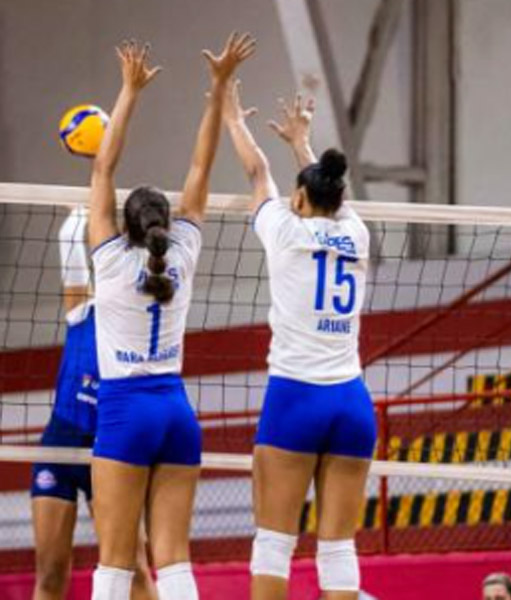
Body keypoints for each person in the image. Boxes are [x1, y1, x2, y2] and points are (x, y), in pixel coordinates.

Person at [87, 34, 255, 600]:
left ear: (125, 224)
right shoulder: (182, 253)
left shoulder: (109, 261)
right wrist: (217, 89)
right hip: (176, 413)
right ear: (164, 222)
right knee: (174, 562)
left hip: (123, 413)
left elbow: (102, 167)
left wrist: (129, 91)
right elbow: (200, 164)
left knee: (114, 562)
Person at [221, 82, 375, 600]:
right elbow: (332, 195)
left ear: (299, 198)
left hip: (296, 398)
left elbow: (256, 172)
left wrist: (230, 114)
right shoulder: (357, 234)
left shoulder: (284, 232)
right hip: (351, 402)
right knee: (337, 549)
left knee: (274, 543)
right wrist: (303, 145)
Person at [30, 206, 156, 600]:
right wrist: (91, 195)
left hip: (111, 449)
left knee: (133, 567)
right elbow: (69, 240)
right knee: (50, 573)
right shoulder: (84, 310)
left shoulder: (144, 320)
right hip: (62, 445)